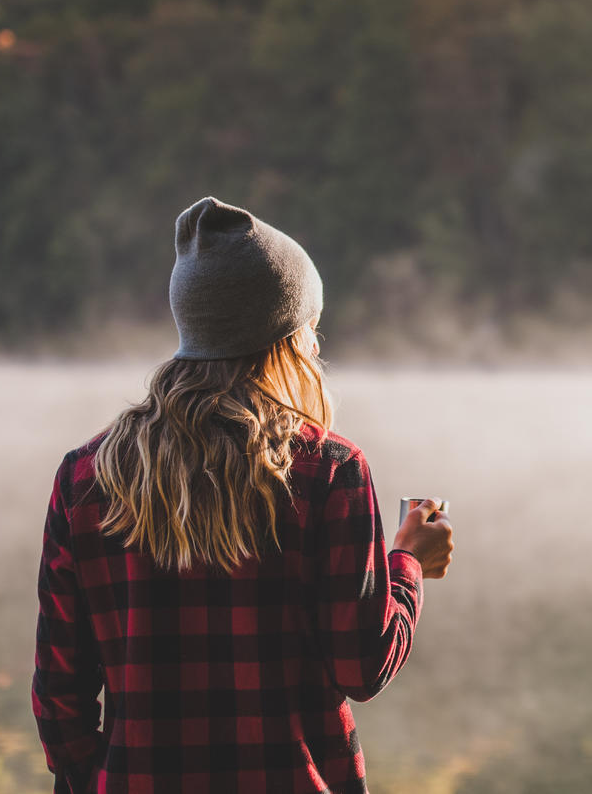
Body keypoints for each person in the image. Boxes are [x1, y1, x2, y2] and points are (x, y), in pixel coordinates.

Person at [32, 196, 454, 794]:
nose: (315, 340)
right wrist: (408, 561)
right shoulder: (329, 471)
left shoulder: (86, 477)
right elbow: (363, 665)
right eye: (310, 323)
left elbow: (61, 698)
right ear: (285, 335)